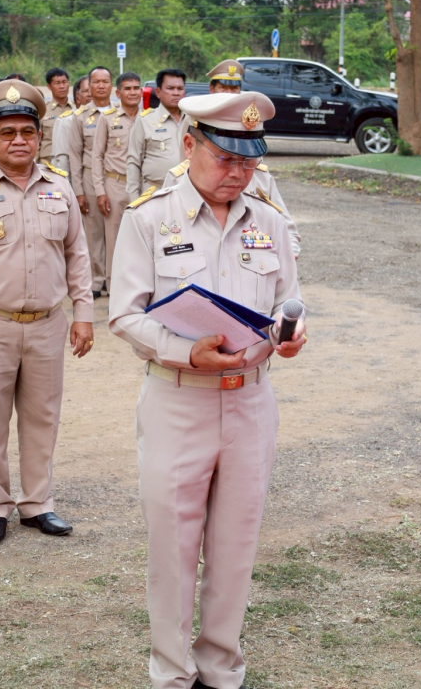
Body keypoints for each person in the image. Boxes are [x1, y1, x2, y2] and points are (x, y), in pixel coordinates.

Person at [108, 91, 305, 689]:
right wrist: (180, 350)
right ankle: (171, 671)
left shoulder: (268, 219)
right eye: (226, 159)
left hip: (250, 399)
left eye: (249, 162)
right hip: (178, 400)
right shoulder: (149, 217)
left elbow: (287, 301)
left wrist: (289, 336)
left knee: (235, 543)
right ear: (190, 145)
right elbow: (125, 314)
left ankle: (221, 667)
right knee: (172, 546)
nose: (238, 174)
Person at [0, 79, 94, 546]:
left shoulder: (59, 187)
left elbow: (77, 253)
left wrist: (83, 311)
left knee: (42, 417)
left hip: (47, 323)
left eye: (27, 132)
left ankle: (37, 504)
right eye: (6, 133)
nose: (18, 141)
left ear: (38, 136)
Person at [169, 61, 301, 257]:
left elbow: (285, 226)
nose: (230, 93)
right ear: (211, 88)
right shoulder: (194, 119)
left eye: (235, 88)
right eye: (224, 87)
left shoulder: (258, 176)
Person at [54, 66, 112, 297]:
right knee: (94, 232)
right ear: (89, 86)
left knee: (117, 232)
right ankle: (97, 281)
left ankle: (113, 278)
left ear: (111, 85)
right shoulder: (80, 118)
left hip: (115, 177)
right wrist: (77, 190)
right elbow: (75, 157)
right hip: (88, 177)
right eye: (95, 82)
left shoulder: (121, 114)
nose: (100, 86)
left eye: (105, 81)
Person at [93, 71, 141, 293]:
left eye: (136, 88)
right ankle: (114, 292)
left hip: (143, 187)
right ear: (118, 92)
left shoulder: (148, 118)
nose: (133, 92)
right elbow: (97, 156)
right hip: (115, 185)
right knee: (114, 242)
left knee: (142, 240)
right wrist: (100, 191)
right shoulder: (108, 118)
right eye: (128, 89)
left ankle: (140, 288)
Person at [127, 68, 188, 203]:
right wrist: (134, 199)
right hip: (154, 193)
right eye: (170, 88)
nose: (176, 93)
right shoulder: (145, 120)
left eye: (180, 88)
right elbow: (133, 162)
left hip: (187, 193)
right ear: (158, 92)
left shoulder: (193, 119)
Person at [39, 68, 73, 167]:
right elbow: (36, 140)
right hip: (47, 163)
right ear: (49, 87)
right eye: (57, 83)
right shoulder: (43, 110)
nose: (62, 86)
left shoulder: (76, 109)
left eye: (64, 82)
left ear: (69, 84)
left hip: (70, 162)